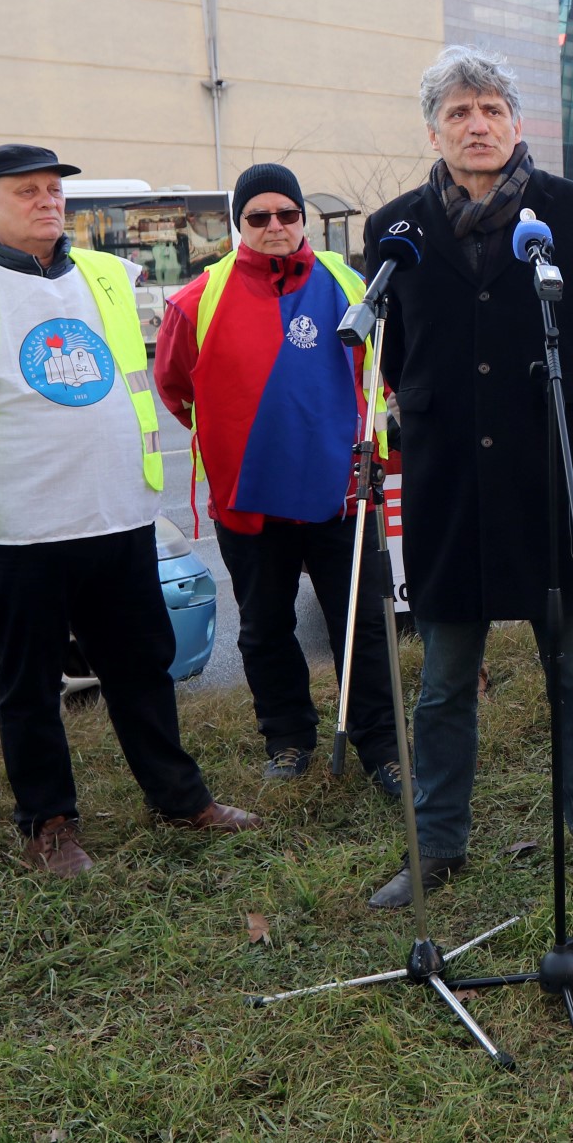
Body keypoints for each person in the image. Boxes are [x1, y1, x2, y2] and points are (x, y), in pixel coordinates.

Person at [0, 144, 259, 877]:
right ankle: (48, 824)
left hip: (116, 518)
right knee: (29, 684)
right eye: (27, 191)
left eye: (54, 190)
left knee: (142, 668)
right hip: (14, 533)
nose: (48, 201)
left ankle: (180, 798)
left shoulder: (106, 275)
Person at [360, 45, 573, 908]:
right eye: (458, 113)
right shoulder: (395, 230)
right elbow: (398, 355)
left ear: (517, 123)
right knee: (444, 681)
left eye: (490, 110)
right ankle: (438, 844)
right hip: (448, 486)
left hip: (548, 477)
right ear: (433, 131)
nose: (476, 125)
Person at [154, 162, 402, 797]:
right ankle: (288, 739)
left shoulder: (349, 284)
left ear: (302, 219)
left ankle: (380, 744)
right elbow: (175, 388)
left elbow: (380, 375)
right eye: (258, 216)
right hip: (249, 500)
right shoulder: (197, 300)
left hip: (342, 495)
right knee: (265, 629)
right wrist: (237, 438)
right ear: (238, 223)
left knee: (362, 626)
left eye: (287, 214)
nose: (274, 226)